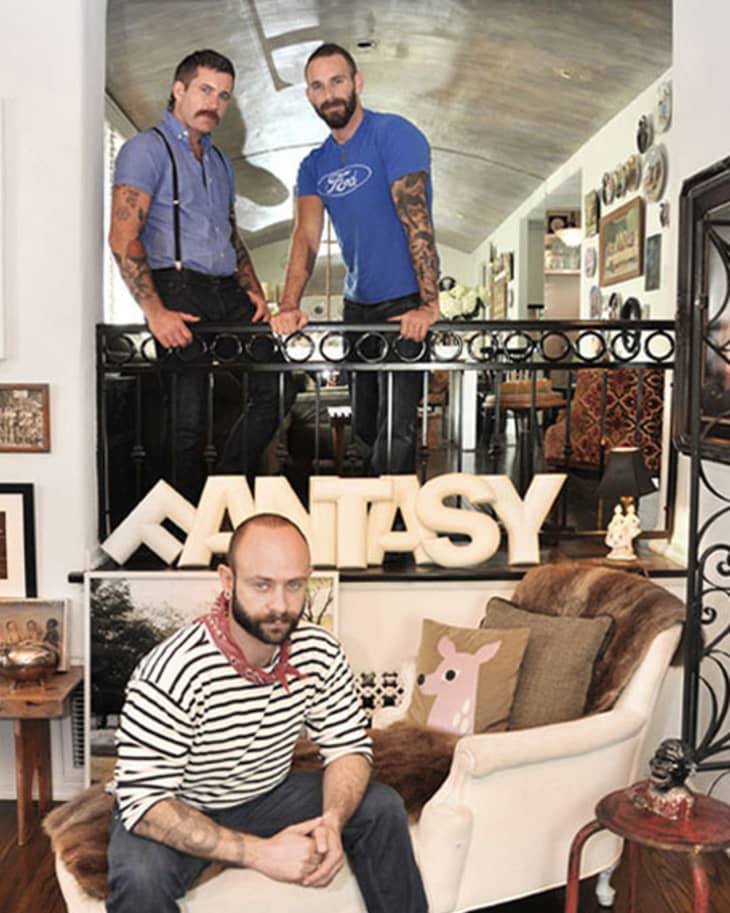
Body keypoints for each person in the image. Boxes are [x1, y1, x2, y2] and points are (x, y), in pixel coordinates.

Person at [106, 513, 427, 913]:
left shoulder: (320, 652)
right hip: (178, 804)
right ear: (227, 580)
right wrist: (261, 853)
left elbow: (348, 747)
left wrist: (332, 819)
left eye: (294, 585)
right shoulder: (171, 673)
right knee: (139, 879)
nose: (280, 605)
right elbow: (143, 800)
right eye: (262, 585)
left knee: (380, 806)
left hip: (266, 793)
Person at [109, 49, 293, 502]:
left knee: (279, 383)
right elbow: (122, 236)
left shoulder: (219, 162)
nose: (214, 102)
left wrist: (252, 289)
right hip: (177, 288)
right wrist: (154, 311)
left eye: (224, 95)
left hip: (225, 290)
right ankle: (187, 528)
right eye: (205, 90)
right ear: (179, 89)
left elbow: (229, 232)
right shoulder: (146, 149)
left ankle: (219, 493)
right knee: (186, 422)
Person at [271, 43, 440, 475]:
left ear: (357, 82)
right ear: (309, 95)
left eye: (338, 81)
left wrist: (428, 303)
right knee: (364, 430)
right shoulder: (313, 165)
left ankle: (395, 536)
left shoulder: (395, 134)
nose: (329, 94)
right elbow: (306, 238)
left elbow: (414, 216)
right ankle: (367, 523)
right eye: (318, 86)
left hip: (404, 304)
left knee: (396, 429)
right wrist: (288, 305)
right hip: (357, 308)